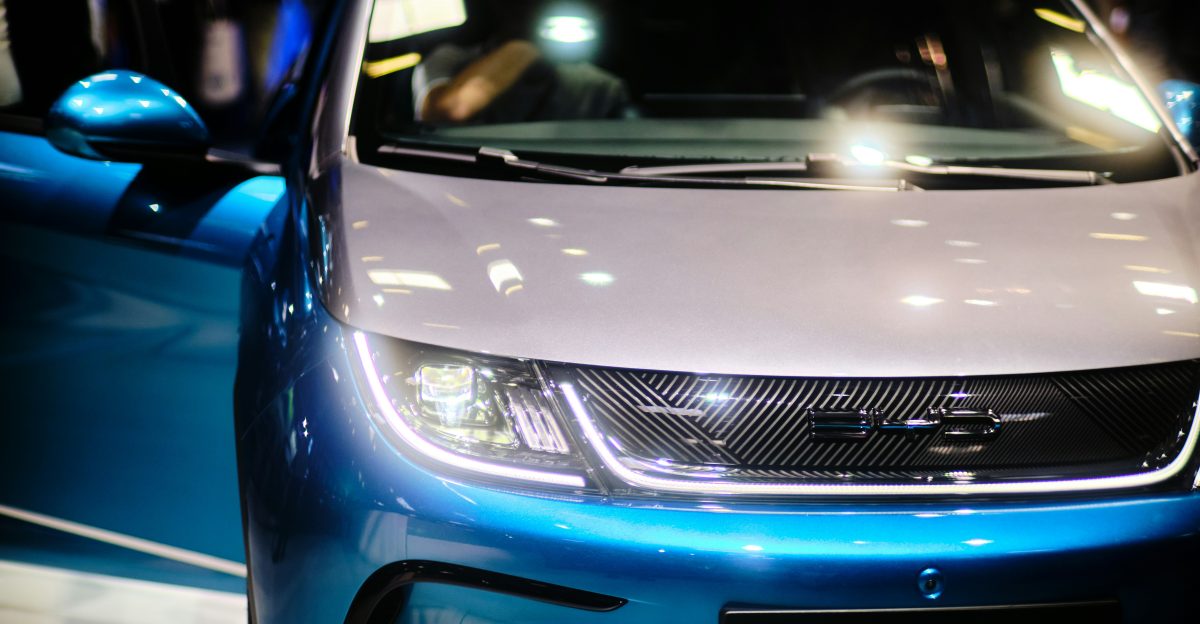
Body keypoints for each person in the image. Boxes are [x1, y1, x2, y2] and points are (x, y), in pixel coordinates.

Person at [412, 38, 628, 124]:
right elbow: (447, 111)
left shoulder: (598, 81)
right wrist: (520, 49)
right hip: (473, 169)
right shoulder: (451, 57)